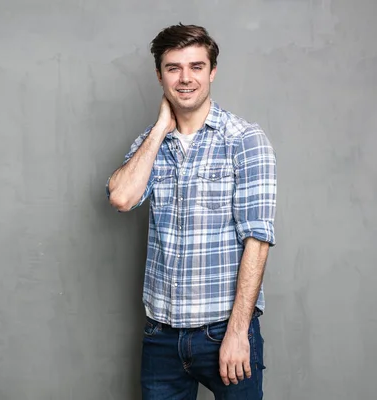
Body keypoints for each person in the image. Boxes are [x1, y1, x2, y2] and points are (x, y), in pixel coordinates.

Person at [105, 24, 277, 400]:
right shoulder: (150, 144)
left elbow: (258, 241)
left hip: (224, 332)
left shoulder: (244, 140)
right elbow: (121, 197)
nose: (185, 78)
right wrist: (161, 128)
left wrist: (236, 332)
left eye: (196, 66)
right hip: (161, 336)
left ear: (212, 72)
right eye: (173, 68)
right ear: (159, 75)